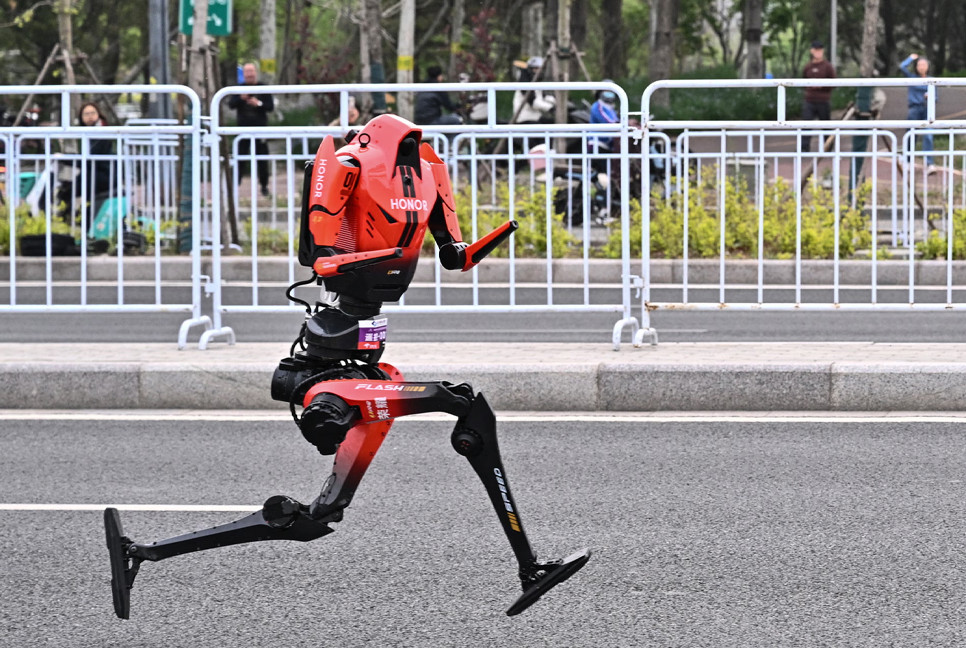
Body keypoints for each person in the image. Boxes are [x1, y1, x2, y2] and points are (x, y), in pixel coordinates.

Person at [228, 63, 275, 197]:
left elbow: (270, 107)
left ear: (256, 73)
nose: (249, 74)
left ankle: (264, 186)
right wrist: (241, 99)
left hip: (260, 130)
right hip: (242, 130)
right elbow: (231, 104)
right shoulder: (239, 89)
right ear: (243, 74)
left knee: (262, 159)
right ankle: (235, 186)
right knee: (239, 158)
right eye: (247, 72)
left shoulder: (263, 88)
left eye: (251, 72)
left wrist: (258, 104)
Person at [900, 53, 936, 173]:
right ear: (916, 66)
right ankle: (908, 161)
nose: (921, 67)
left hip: (927, 109)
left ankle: (929, 164)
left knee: (928, 135)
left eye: (924, 64)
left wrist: (929, 96)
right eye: (919, 64)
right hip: (914, 109)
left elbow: (935, 97)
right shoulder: (911, 78)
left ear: (928, 66)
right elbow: (902, 67)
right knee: (911, 135)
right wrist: (910, 58)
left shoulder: (932, 80)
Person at [801, 40, 836, 152]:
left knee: (826, 124)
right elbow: (802, 81)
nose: (818, 52)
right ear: (812, 51)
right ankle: (804, 148)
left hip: (823, 100)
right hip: (810, 100)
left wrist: (822, 86)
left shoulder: (827, 66)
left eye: (820, 50)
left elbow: (834, 82)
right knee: (806, 124)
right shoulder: (807, 67)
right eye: (816, 50)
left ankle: (828, 147)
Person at [511, 57, 556, 124]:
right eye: (536, 69)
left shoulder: (536, 84)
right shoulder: (524, 85)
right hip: (524, 118)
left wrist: (557, 101)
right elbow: (534, 102)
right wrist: (551, 108)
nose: (538, 71)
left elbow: (543, 97)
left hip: (536, 117)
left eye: (540, 69)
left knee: (555, 123)